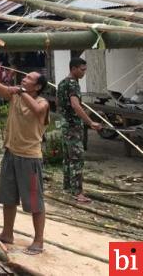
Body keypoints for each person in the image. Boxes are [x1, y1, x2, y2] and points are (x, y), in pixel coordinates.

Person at [0, 55, 49, 255]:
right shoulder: (15, 94)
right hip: (11, 153)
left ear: (37, 87)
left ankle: (38, 240)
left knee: (34, 202)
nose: (23, 80)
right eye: (24, 78)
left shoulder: (43, 102)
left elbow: (35, 109)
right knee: (8, 197)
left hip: (30, 158)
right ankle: (7, 233)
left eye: (29, 79)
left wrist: (21, 92)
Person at [56, 57, 102, 203]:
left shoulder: (62, 83)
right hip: (73, 127)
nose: (84, 73)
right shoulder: (73, 84)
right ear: (74, 68)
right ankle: (78, 192)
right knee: (76, 159)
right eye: (82, 70)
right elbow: (76, 105)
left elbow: (60, 104)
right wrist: (90, 122)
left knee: (68, 158)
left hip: (65, 125)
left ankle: (68, 187)